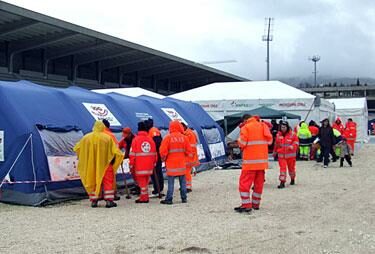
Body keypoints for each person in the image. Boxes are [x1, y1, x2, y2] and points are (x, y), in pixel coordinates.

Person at [74, 121, 123, 208]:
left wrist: (85, 158)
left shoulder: (86, 138)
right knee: (108, 182)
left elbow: (77, 148)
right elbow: (115, 151)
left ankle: (94, 201)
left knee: (93, 181)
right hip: (106, 164)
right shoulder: (107, 138)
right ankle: (109, 201)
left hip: (91, 165)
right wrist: (116, 160)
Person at [235, 115, 273, 213]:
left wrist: (238, 141)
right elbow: (270, 141)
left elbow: (242, 143)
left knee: (244, 184)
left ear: (245, 120)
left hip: (250, 162)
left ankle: (246, 205)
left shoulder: (246, 127)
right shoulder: (263, 125)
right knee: (258, 184)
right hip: (262, 162)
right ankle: (256, 204)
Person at [159, 120, 191, 205]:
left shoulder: (167, 138)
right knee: (183, 182)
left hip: (171, 165)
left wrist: (163, 159)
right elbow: (189, 151)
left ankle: (169, 199)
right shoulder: (185, 138)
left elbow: (162, 151)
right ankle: (184, 198)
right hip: (181, 164)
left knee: (171, 183)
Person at [129, 122, 158, 203]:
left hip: (139, 166)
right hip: (149, 166)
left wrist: (131, 165)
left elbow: (132, 154)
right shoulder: (150, 139)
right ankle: (144, 196)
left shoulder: (136, 140)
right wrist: (154, 163)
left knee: (142, 184)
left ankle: (144, 198)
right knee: (145, 182)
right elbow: (155, 153)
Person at [273, 121, 299, 189]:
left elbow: (296, 143)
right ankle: (282, 182)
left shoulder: (293, 134)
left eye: (284, 127)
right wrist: (274, 152)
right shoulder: (278, 135)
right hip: (281, 156)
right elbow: (276, 144)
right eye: (282, 127)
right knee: (282, 169)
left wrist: (292, 147)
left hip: (291, 155)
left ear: (287, 127)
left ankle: (292, 178)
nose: (283, 128)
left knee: (291, 169)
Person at [102, 119, 120, 200]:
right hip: (109, 160)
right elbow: (116, 148)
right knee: (109, 179)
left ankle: (97, 198)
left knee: (98, 178)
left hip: (96, 161)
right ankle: (111, 196)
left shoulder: (93, 135)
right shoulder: (110, 135)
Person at [145, 118, 164, 197]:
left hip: (156, 155)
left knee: (156, 172)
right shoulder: (152, 131)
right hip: (156, 154)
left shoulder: (153, 131)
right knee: (157, 172)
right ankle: (158, 188)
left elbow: (157, 143)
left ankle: (158, 189)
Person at [181, 122, 200, 192]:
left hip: (189, 156)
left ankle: (188, 187)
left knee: (186, 172)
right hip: (191, 155)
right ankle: (186, 185)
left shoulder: (187, 134)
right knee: (187, 171)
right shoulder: (190, 132)